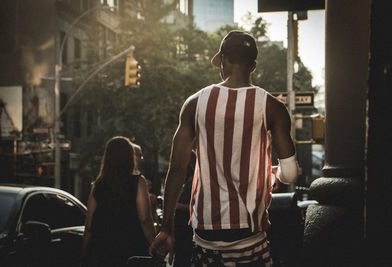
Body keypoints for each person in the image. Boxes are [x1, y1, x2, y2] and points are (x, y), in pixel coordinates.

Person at [149, 30, 299, 267]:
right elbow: (290, 174)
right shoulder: (272, 107)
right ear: (253, 66)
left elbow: (176, 169)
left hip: (206, 236)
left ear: (223, 61)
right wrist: (274, 173)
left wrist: (167, 227)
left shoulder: (195, 103)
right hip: (250, 237)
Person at [82, 136, 156, 266]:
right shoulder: (138, 182)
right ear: (129, 157)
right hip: (130, 249)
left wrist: (84, 254)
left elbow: (89, 226)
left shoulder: (98, 185)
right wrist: (154, 244)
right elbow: (145, 219)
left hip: (101, 251)